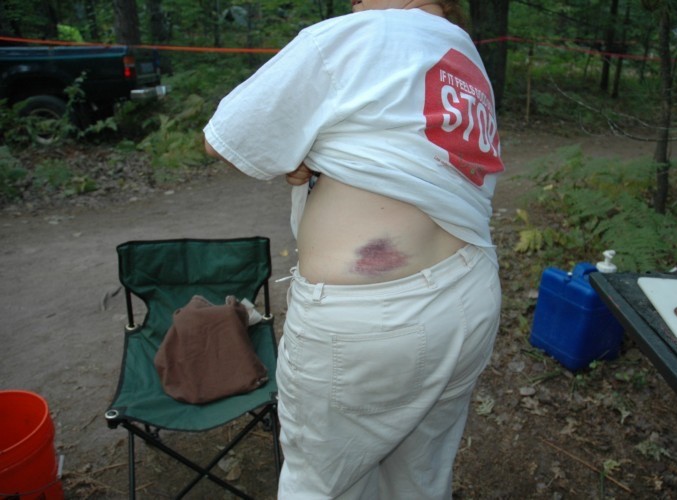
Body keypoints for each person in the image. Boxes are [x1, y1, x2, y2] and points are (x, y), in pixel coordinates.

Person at [203, 1, 504, 497]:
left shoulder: (353, 35)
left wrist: (301, 150)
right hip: (468, 296)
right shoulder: (461, 51)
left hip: (370, 324)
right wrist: (315, 152)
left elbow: (225, 137)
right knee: (420, 478)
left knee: (322, 485)